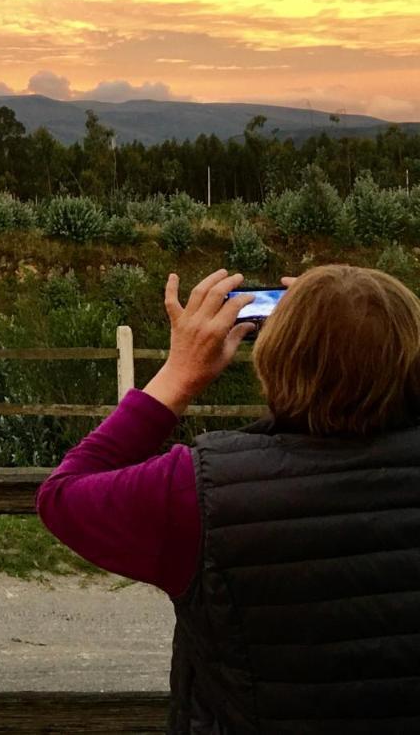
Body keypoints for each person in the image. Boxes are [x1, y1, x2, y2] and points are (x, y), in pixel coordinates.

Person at [36, 265, 420, 733]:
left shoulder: (201, 492)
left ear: (273, 358)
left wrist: (179, 376)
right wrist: (357, 311)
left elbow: (63, 495)